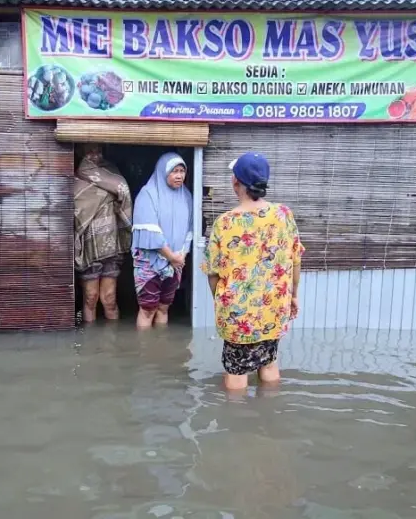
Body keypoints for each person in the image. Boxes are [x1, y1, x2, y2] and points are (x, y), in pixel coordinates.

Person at [202, 152, 304, 390]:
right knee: (269, 364)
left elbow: (212, 272)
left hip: (237, 312)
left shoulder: (225, 223)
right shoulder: (283, 215)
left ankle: (236, 424)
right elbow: (295, 261)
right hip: (274, 308)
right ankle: (268, 418)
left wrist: (222, 303)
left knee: (237, 373)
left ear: (235, 182)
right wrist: (293, 295)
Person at [132, 152, 193, 329]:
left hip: (176, 263)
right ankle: (145, 352)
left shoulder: (186, 196)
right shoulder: (147, 195)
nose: (179, 175)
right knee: (147, 309)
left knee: (163, 308)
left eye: (182, 171)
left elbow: (189, 230)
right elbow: (149, 232)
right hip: (151, 263)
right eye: (174, 171)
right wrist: (171, 256)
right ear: (163, 172)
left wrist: (181, 255)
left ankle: (159, 348)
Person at [74, 144, 132, 323]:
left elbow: (124, 193)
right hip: (89, 248)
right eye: (89, 151)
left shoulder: (112, 172)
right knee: (90, 298)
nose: (95, 155)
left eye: (98, 150)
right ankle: (90, 346)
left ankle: (111, 347)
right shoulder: (76, 177)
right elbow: (76, 208)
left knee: (109, 299)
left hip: (110, 246)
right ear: (81, 152)